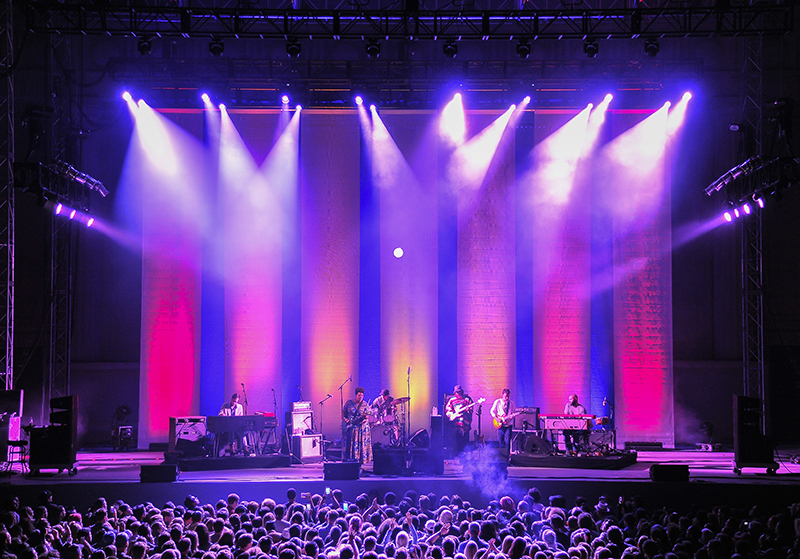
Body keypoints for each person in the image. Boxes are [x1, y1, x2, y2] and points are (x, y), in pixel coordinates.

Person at [342, 387, 372, 464]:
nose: (360, 397)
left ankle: (361, 461)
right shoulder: (349, 403)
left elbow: (368, 415)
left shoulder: (365, 404)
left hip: (361, 428)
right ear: (355, 395)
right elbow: (343, 412)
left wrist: (365, 416)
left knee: (361, 444)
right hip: (351, 428)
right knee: (350, 443)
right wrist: (345, 419)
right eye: (359, 395)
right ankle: (350, 460)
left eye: (362, 395)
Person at [445, 385, 475, 455]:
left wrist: (467, 410)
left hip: (465, 424)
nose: (458, 394)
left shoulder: (467, 399)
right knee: (456, 440)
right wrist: (451, 414)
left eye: (459, 392)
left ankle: (465, 456)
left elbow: (471, 410)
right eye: (456, 393)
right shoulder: (452, 400)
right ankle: (457, 455)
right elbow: (448, 409)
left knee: (465, 441)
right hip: (455, 424)